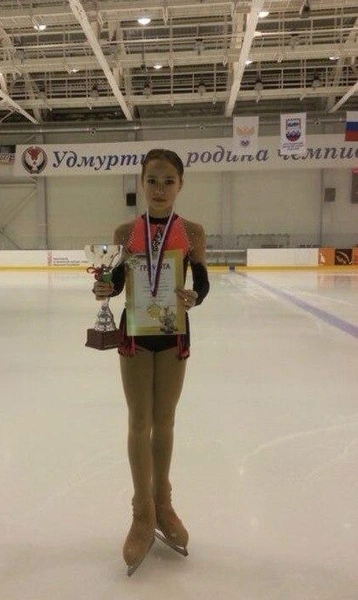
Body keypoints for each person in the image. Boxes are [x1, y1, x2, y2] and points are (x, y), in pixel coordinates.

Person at [92, 148, 210, 574]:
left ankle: (164, 503)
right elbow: (116, 279)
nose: (160, 189)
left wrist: (195, 296)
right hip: (136, 335)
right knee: (139, 422)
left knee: (166, 421)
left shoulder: (192, 232)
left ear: (181, 185)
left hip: (173, 334)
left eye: (168, 181)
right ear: (141, 183)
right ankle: (142, 512)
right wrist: (104, 287)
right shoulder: (127, 232)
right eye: (153, 181)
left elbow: (202, 280)